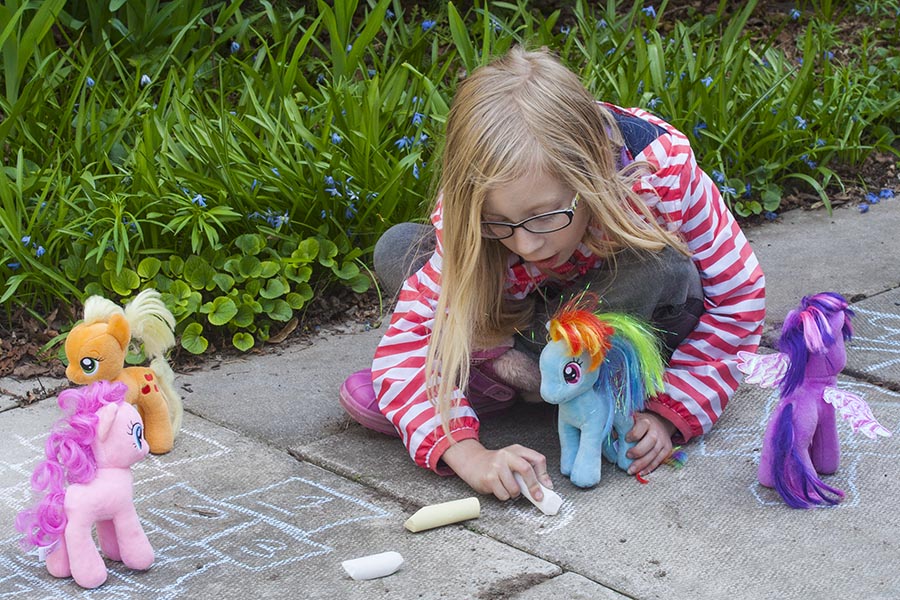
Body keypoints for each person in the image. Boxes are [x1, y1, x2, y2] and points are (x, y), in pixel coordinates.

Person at [339, 46, 765, 503]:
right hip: (529, 318)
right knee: (401, 248)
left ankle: (512, 376)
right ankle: (515, 376)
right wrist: (468, 454)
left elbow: (739, 297)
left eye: (546, 216)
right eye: (498, 220)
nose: (524, 244)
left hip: (615, 321)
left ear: (593, 176)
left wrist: (669, 410)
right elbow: (411, 335)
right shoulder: (477, 217)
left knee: (660, 266)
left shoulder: (660, 177)